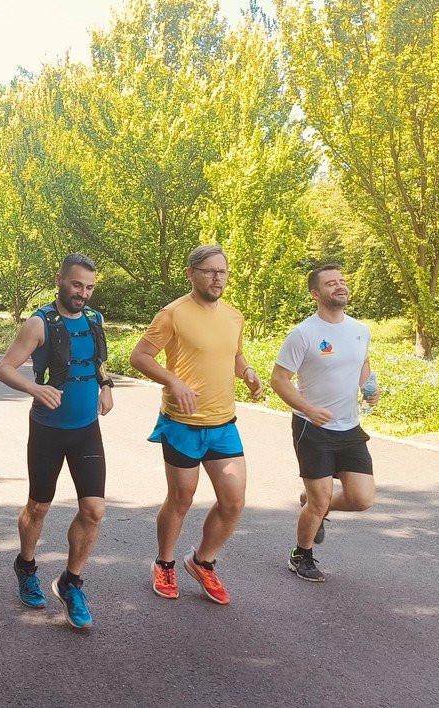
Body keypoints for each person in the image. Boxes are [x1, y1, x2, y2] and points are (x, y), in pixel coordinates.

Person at [129, 245, 264, 606]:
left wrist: (247, 372)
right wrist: (173, 382)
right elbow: (139, 356)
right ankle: (165, 562)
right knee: (181, 498)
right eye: (209, 271)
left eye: (223, 271)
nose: (218, 278)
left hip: (223, 424)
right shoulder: (172, 314)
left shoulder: (234, 316)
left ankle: (202, 561)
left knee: (234, 502)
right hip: (182, 424)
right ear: (191, 273)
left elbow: (234, 355)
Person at [0, 254, 113, 629]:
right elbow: (5, 368)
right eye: (77, 285)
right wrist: (34, 388)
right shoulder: (39, 323)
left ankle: (71, 583)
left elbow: (99, 361)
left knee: (94, 510)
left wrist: (106, 386)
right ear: (60, 279)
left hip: (86, 429)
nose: (83, 293)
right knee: (39, 507)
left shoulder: (95, 319)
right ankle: (26, 566)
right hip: (48, 430)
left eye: (89, 287)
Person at [270, 264, 379, 584]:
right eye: (331, 284)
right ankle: (300, 554)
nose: (340, 287)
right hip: (311, 428)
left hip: (350, 427)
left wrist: (368, 388)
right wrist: (308, 408)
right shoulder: (303, 334)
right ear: (316, 294)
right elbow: (279, 380)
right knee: (321, 500)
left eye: (342, 281)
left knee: (362, 499)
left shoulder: (360, 329)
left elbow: (363, 362)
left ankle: (312, 504)